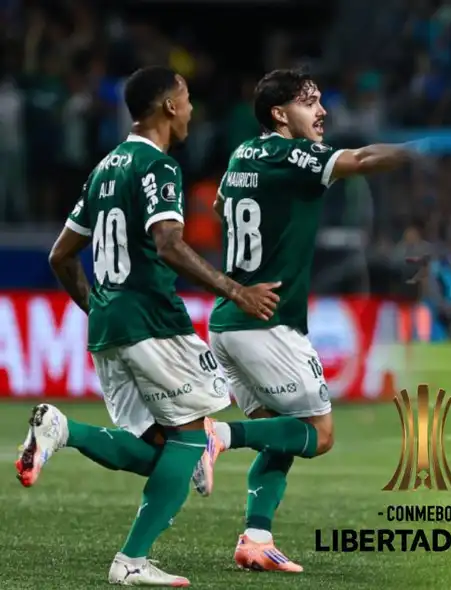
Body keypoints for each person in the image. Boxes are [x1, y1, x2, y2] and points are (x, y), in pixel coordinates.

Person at [21, 66, 280, 586]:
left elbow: (60, 256)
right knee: (196, 436)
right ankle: (131, 561)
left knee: (164, 449)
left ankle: (64, 430)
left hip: (111, 324)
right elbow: (168, 243)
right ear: (168, 106)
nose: (191, 110)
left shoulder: (103, 170)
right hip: (153, 320)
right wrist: (236, 290)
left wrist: (100, 307)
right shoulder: (158, 166)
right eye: (186, 99)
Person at [201, 68, 418, 572]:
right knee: (318, 434)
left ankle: (256, 539)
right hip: (268, 324)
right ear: (280, 114)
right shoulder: (290, 155)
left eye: (320, 100)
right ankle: (220, 436)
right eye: (308, 102)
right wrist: (418, 151)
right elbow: (361, 160)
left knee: (280, 437)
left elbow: (219, 204)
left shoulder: (241, 154)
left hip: (227, 323)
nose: (321, 111)